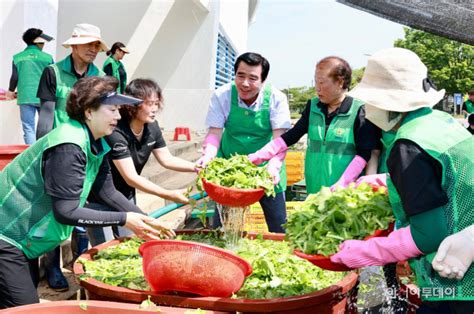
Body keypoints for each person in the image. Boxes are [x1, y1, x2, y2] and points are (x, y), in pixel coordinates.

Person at [0, 76, 175, 309]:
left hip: (24, 243)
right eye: (112, 109)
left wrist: (147, 221)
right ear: (89, 111)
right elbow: (66, 211)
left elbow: (109, 194)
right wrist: (126, 219)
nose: (119, 116)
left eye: (119, 109)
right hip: (7, 238)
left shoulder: (96, 143)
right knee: (25, 309)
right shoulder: (69, 146)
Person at [330, 48, 473, 312]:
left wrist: (368, 251)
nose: (367, 109)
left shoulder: (408, 146)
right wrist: (391, 180)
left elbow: (429, 236)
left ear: (388, 104)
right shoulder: (441, 122)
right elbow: (448, 175)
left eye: (370, 102)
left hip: (457, 287)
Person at [35, 23, 108, 290]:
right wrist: (42, 152)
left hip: (85, 152)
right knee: (56, 212)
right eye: (88, 44)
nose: (93, 50)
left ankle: (80, 260)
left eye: (96, 46)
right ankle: (52, 266)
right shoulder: (52, 72)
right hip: (59, 153)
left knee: (82, 209)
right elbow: (45, 114)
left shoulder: (98, 76)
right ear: (74, 46)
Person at [248, 56, 380, 194]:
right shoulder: (313, 107)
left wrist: (343, 183)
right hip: (314, 189)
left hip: (344, 193)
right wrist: (259, 155)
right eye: (316, 81)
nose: (317, 88)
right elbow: (291, 136)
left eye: (321, 82)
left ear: (340, 82)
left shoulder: (359, 111)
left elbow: (364, 154)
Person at [87, 78, 194, 245]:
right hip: (99, 197)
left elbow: (166, 159)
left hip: (127, 195)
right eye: (149, 104)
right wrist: (168, 194)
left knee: (129, 244)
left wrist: (198, 167)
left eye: (157, 103)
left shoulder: (152, 127)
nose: (155, 109)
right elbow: (131, 177)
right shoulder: (115, 130)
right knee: (104, 249)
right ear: (133, 104)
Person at [196, 52, 291, 233]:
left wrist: (274, 167)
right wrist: (208, 156)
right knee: (221, 229)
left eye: (253, 78)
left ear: (263, 80)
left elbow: (280, 139)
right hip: (230, 168)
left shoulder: (276, 98)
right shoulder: (222, 95)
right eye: (240, 76)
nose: (245, 83)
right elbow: (215, 132)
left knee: (279, 227)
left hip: (267, 169)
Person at [7, 28, 54, 144]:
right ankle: (44, 152)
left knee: (28, 127)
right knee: (45, 127)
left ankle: (30, 154)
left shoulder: (17, 57)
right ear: (37, 42)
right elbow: (53, 77)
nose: (43, 45)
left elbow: (15, 77)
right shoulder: (48, 58)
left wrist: (10, 91)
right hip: (44, 96)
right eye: (42, 42)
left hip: (25, 96)